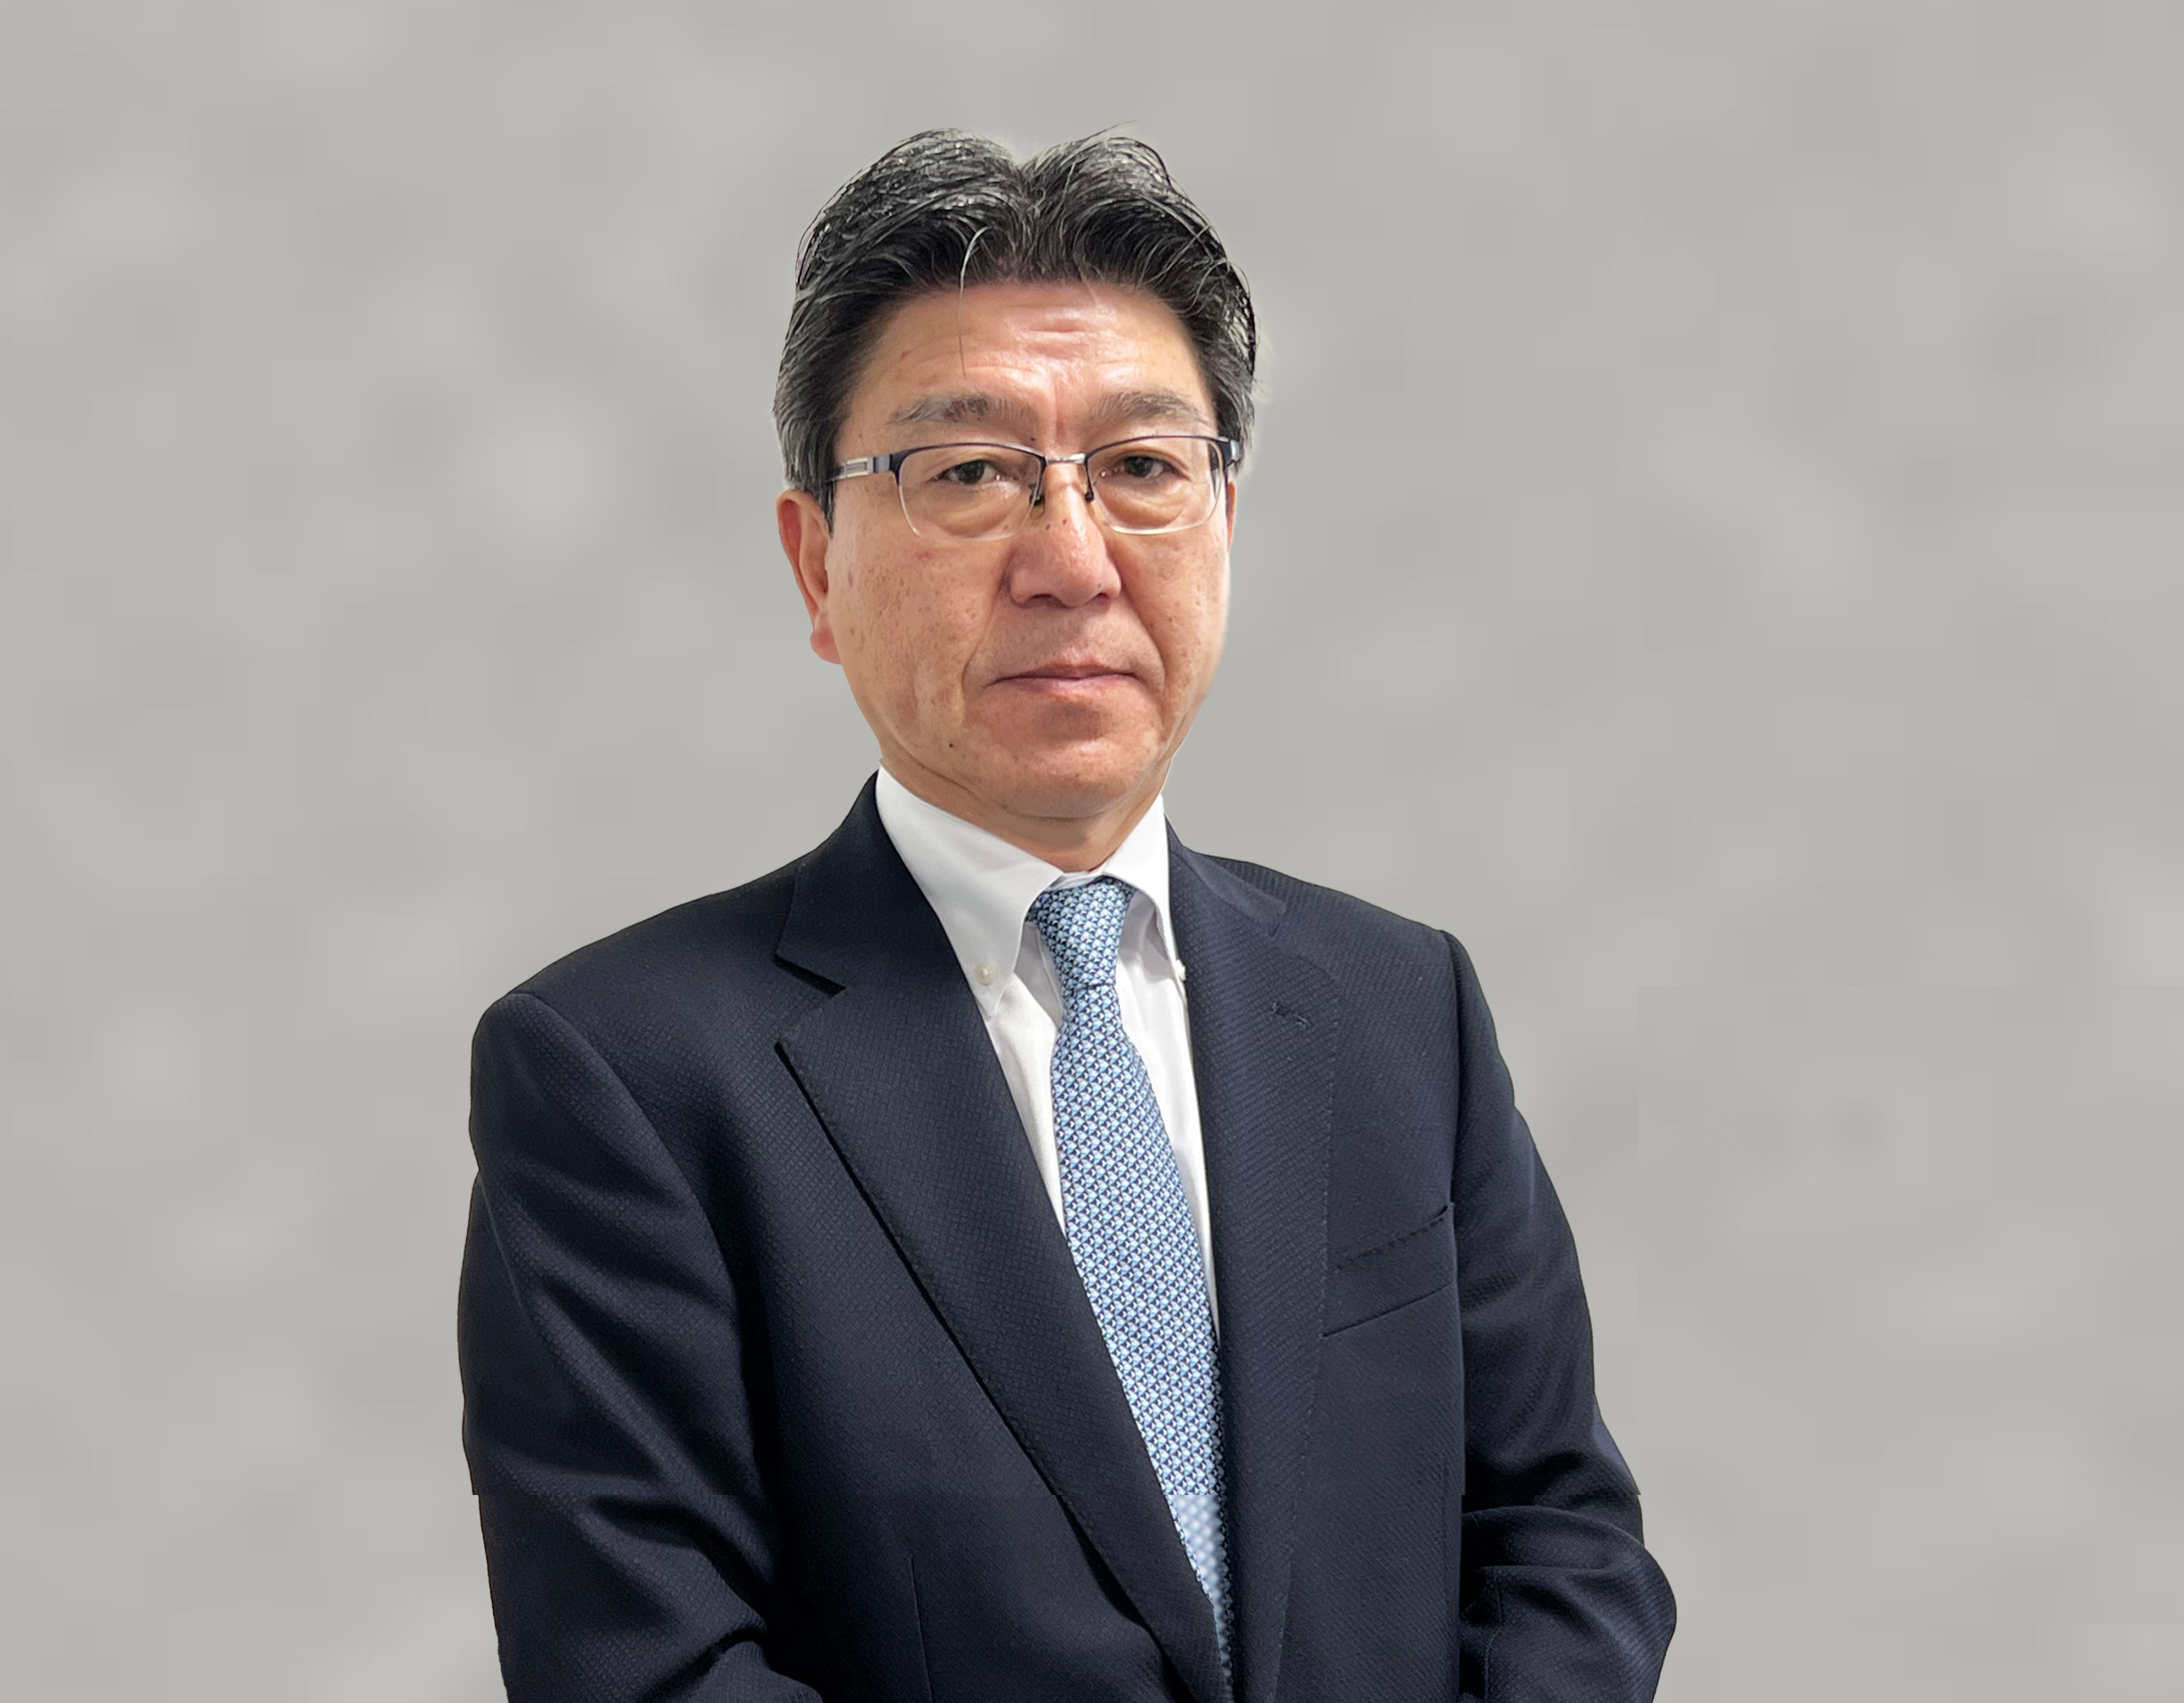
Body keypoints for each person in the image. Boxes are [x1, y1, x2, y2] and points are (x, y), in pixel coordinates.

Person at [458, 130, 1676, 1703]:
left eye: (1143, 468)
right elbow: (650, 1668)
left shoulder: (1399, 1007)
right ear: (816, 565)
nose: (1071, 560)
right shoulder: (624, 1075)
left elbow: (1560, 1541)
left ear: (1224, 520)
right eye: (969, 473)